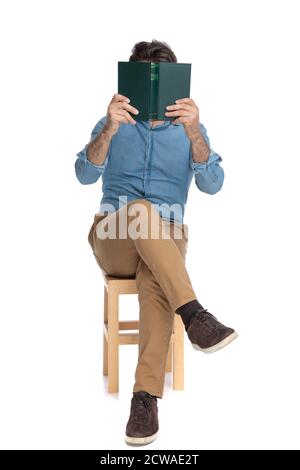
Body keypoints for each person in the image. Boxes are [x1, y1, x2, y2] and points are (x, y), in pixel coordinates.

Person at [75, 39, 237, 446]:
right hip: (114, 235)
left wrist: (195, 131)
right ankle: (195, 314)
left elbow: (213, 185)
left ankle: (144, 399)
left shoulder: (189, 130)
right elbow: (83, 174)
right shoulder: (111, 122)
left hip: (166, 241)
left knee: (156, 281)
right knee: (141, 210)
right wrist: (109, 128)